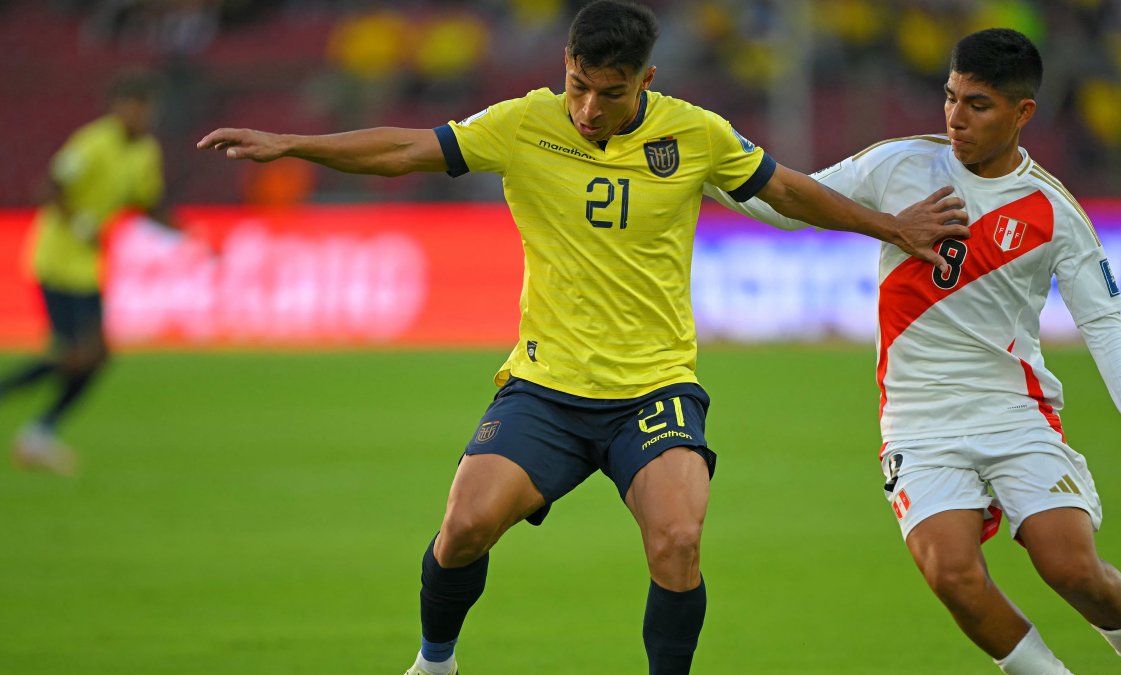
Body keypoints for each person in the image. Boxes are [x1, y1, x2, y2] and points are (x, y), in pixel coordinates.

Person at [198, 2, 968, 673]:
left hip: (654, 389)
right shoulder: (522, 123)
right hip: (545, 387)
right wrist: (293, 143)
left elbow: (789, 189)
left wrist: (891, 226)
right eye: (577, 86)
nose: (589, 109)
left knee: (678, 540)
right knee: (463, 528)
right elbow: (405, 150)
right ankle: (436, 662)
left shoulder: (694, 134)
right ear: (564, 66)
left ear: (646, 80)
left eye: (610, 93)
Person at [706, 28, 1121, 675]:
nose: (956, 117)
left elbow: (1100, 315)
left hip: (1015, 411)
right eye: (951, 97)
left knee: (1071, 568)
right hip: (919, 419)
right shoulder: (898, 165)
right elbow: (795, 204)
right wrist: (707, 168)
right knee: (951, 573)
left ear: (1023, 113)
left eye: (978, 104)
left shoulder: (1052, 210)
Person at [1, 70, 172, 476]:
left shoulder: (145, 152)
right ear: (117, 109)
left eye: (144, 108)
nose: (138, 115)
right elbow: (48, 187)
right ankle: (38, 433)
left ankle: (40, 433)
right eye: (132, 108)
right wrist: (78, 224)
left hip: (88, 266)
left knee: (88, 356)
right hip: (57, 259)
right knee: (84, 353)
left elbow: (147, 203)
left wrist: (188, 235)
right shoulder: (92, 143)